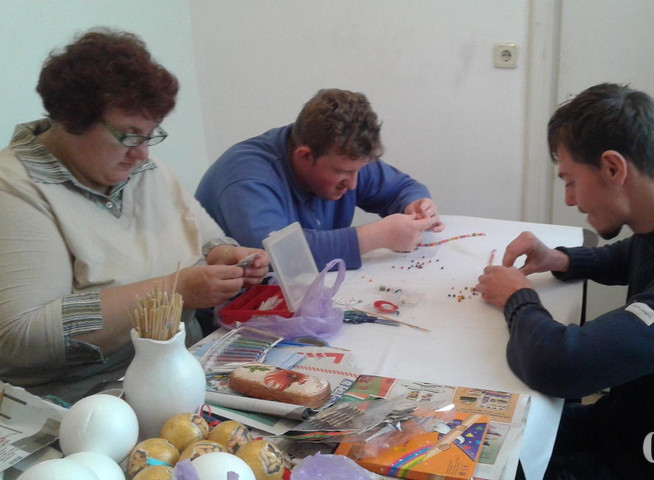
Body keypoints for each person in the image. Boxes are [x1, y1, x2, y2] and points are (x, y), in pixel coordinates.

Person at [475, 83, 654, 479]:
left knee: (482, 459)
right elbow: (631, 254)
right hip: (631, 428)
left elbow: (560, 366)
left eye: (570, 181)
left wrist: (518, 297)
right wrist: (560, 259)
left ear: (613, 168)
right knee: (482, 429)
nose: (569, 200)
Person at [0, 28, 269, 403]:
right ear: (73, 120)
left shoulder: (144, 171)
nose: (143, 153)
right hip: (89, 401)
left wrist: (226, 257)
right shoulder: (15, 188)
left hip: (184, 370)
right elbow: (21, 337)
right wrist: (173, 291)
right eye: (129, 135)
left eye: (150, 135)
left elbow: (206, 241)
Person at [195, 88, 444, 270]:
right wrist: (375, 237)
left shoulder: (344, 157)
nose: (353, 184)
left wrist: (416, 204)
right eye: (343, 173)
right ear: (305, 156)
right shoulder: (246, 178)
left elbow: (402, 188)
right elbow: (278, 256)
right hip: (228, 314)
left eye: (359, 170)